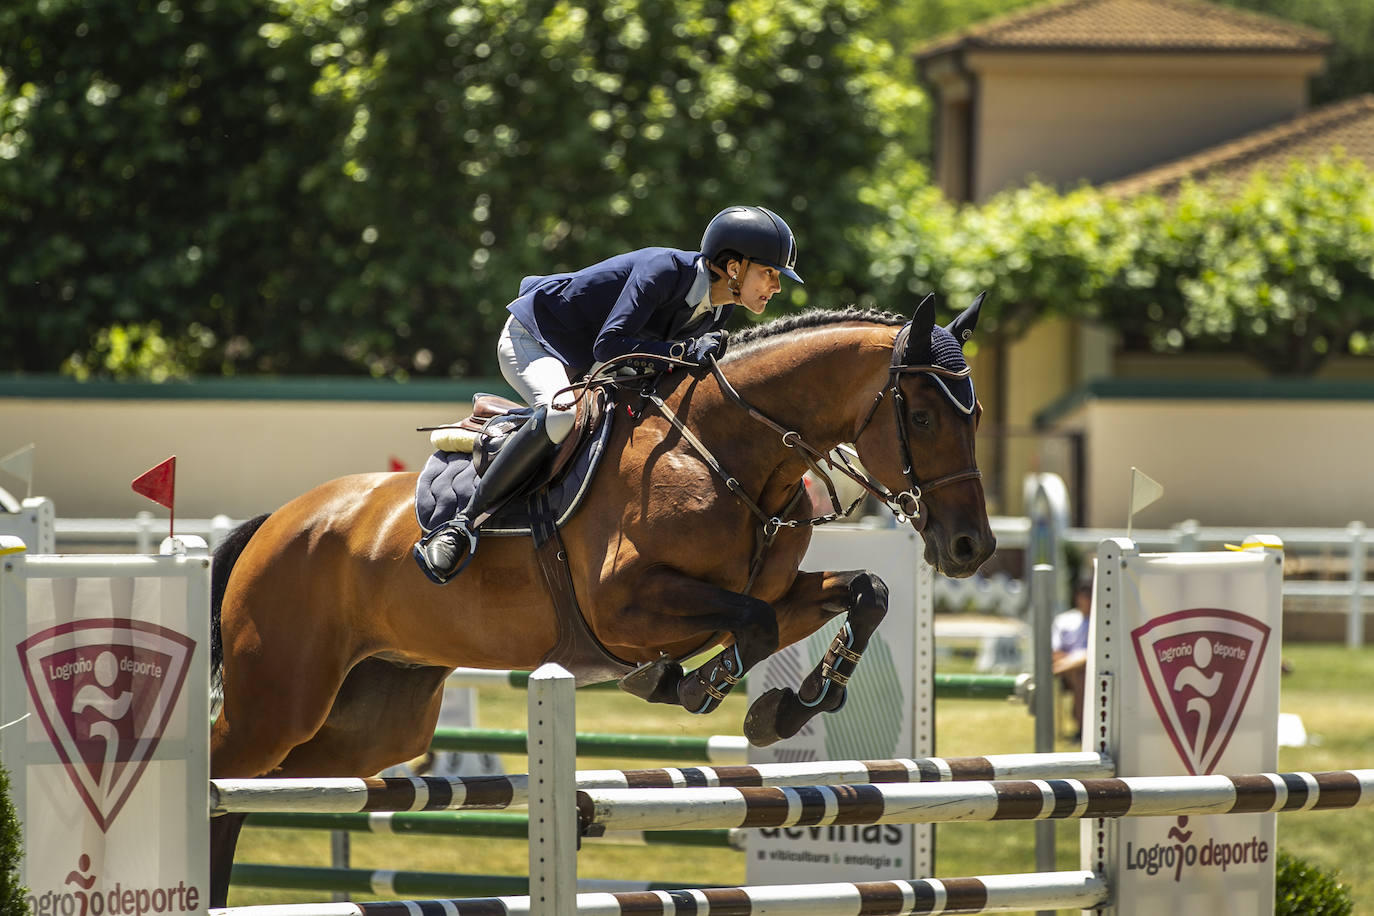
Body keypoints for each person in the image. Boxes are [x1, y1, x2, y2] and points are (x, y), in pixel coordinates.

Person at [414, 205, 804, 584]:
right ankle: (461, 525)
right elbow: (609, 346)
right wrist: (682, 352)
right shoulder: (664, 271)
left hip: (587, 362)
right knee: (561, 414)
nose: (777, 286)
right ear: (734, 268)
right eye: (769, 272)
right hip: (535, 340)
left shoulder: (718, 309)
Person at [1052, 575, 1093, 739]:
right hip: (1069, 669)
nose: (1088, 600)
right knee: (1080, 673)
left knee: (1086, 662)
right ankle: (1083, 727)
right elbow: (1055, 652)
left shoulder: (1104, 621)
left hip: (1090, 667)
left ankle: (1080, 726)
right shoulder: (1064, 620)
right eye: (1085, 595)